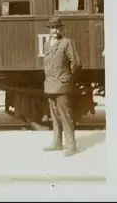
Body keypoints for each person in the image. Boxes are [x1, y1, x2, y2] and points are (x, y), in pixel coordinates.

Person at [42, 17, 82, 157]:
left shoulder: (67, 42)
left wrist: (68, 78)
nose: (55, 30)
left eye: (58, 27)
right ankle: (57, 143)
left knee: (65, 115)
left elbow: (76, 63)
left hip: (62, 84)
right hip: (50, 85)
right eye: (53, 28)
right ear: (49, 29)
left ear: (61, 29)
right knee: (54, 116)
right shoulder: (47, 45)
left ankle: (71, 145)